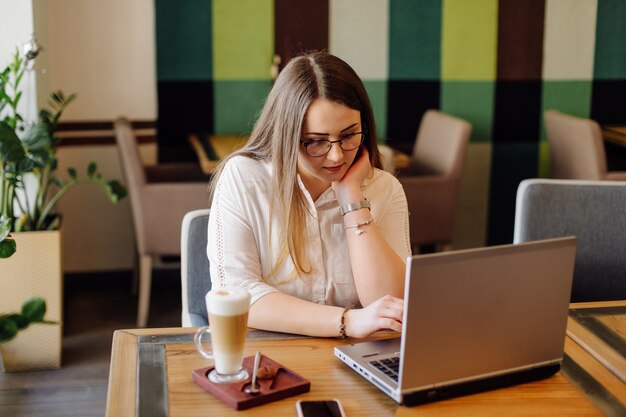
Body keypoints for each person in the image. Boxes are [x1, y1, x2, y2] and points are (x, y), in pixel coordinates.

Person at [207, 51, 410, 338]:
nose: (337, 155)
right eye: (315, 142)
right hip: (270, 361)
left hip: (358, 360)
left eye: (349, 134)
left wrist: (351, 198)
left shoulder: (384, 189)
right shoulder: (244, 178)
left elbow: (392, 306)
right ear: (286, 134)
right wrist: (347, 321)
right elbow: (237, 295)